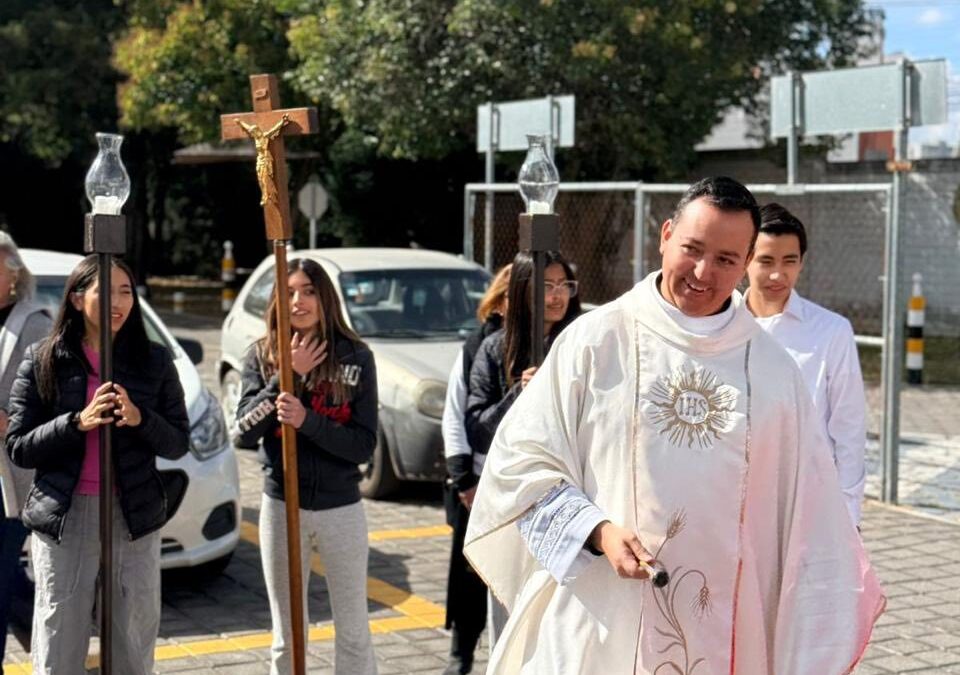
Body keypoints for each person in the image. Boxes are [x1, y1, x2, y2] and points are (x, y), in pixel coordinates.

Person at [463, 177, 884, 674]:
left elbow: (808, 506)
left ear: (746, 263)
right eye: (692, 249)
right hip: (604, 612)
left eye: (726, 259)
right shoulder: (595, 341)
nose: (703, 272)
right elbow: (519, 462)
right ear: (665, 236)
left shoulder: (773, 372)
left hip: (731, 625)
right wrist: (597, 531)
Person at [5, 255, 189, 675]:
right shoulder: (43, 359)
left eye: (126, 292)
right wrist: (77, 422)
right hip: (65, 518)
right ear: (76, 298)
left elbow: (178, 442)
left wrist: (140, 418)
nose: (118, 302)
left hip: (133, 516)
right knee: (59, 642)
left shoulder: (154, 361)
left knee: (131, 642)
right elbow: (19, 446)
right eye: (105, 291)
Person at [233, 258, 378, 675]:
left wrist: (307, 421)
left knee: (353, 630)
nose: (298, 301)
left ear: (325, 298)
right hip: (282, 507)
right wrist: (288, 376)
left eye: (309, 291)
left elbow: (363, 446)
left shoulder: (355, 356)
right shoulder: (262, 355)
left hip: (341, 507)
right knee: (287, 632)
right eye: (289, 291)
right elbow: (242, 433)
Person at [463, 250, 581, 663]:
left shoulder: (584, 342)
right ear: (522, 291)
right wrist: (520, 393)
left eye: (564, 285)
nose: (557, 296)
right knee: (510, 619)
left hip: (572, 500)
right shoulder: (494, 348)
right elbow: (476, 428)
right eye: (546, 286)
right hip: (514, 501)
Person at [745, 203, 867, 527]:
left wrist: (849, 515)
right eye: (766, 261)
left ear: (802, 262)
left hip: (810, 502)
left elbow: (849, 428)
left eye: (790, 261)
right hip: (735, 501)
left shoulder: (831, 331)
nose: (778, 274)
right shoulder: (722, 326)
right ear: (745, 260)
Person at [441, 263, 511, 675]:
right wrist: (464, 480)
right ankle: (461, 653)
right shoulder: (479, 346)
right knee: (469, 575)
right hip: (476, 483)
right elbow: (455, 416)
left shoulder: (558, 342)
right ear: (498, 302)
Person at [0, 233, 52, 669]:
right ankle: (53, 645)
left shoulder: (34, 325)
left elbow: (50, 399)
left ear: (14, 275)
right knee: (8, 579)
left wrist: (9, 421)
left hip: (12, 479)